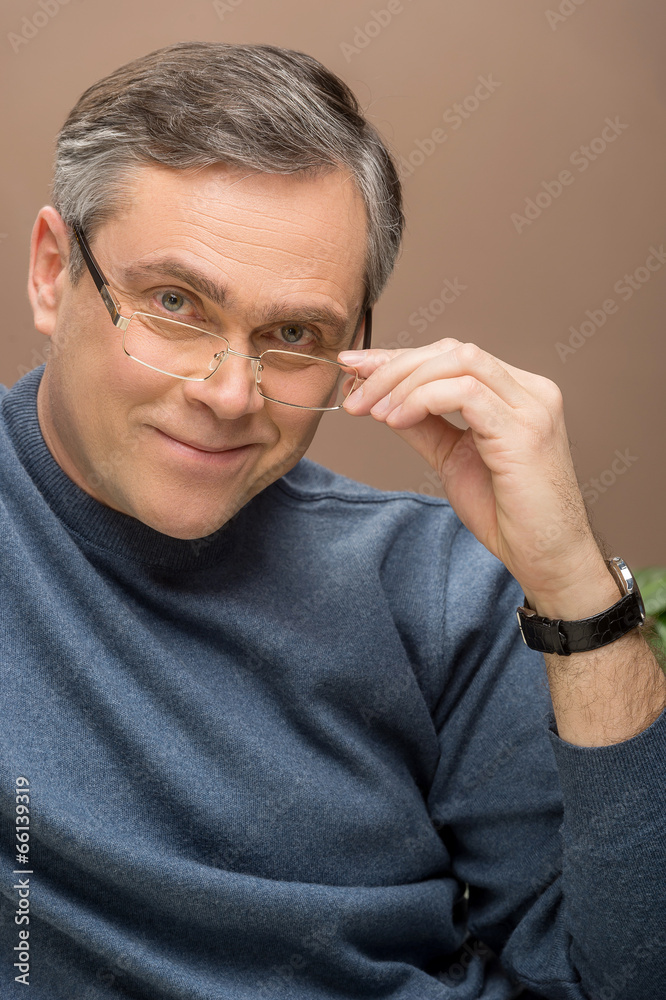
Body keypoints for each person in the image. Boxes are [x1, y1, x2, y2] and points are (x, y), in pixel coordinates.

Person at [1, 40, 664, 1000]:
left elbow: (623, 981)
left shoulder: (440, 587)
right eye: (176, 304)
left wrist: (574, 588)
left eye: (293, 336)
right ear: (52, 272)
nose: (231, 394)